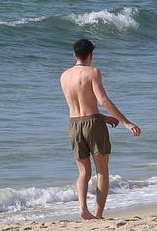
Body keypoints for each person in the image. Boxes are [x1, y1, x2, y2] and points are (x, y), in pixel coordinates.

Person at [59, 38, 141, 220]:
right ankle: (98, 214)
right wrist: (126, 122)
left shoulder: (64, 76)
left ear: (74, 55)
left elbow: (79, 106)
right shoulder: (92, 72)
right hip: (93, 125)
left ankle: (82, 208)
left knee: (83, 172)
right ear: (91, 55)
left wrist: (103, 117)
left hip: (74, 124)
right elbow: (102, 101)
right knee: (102, 171)